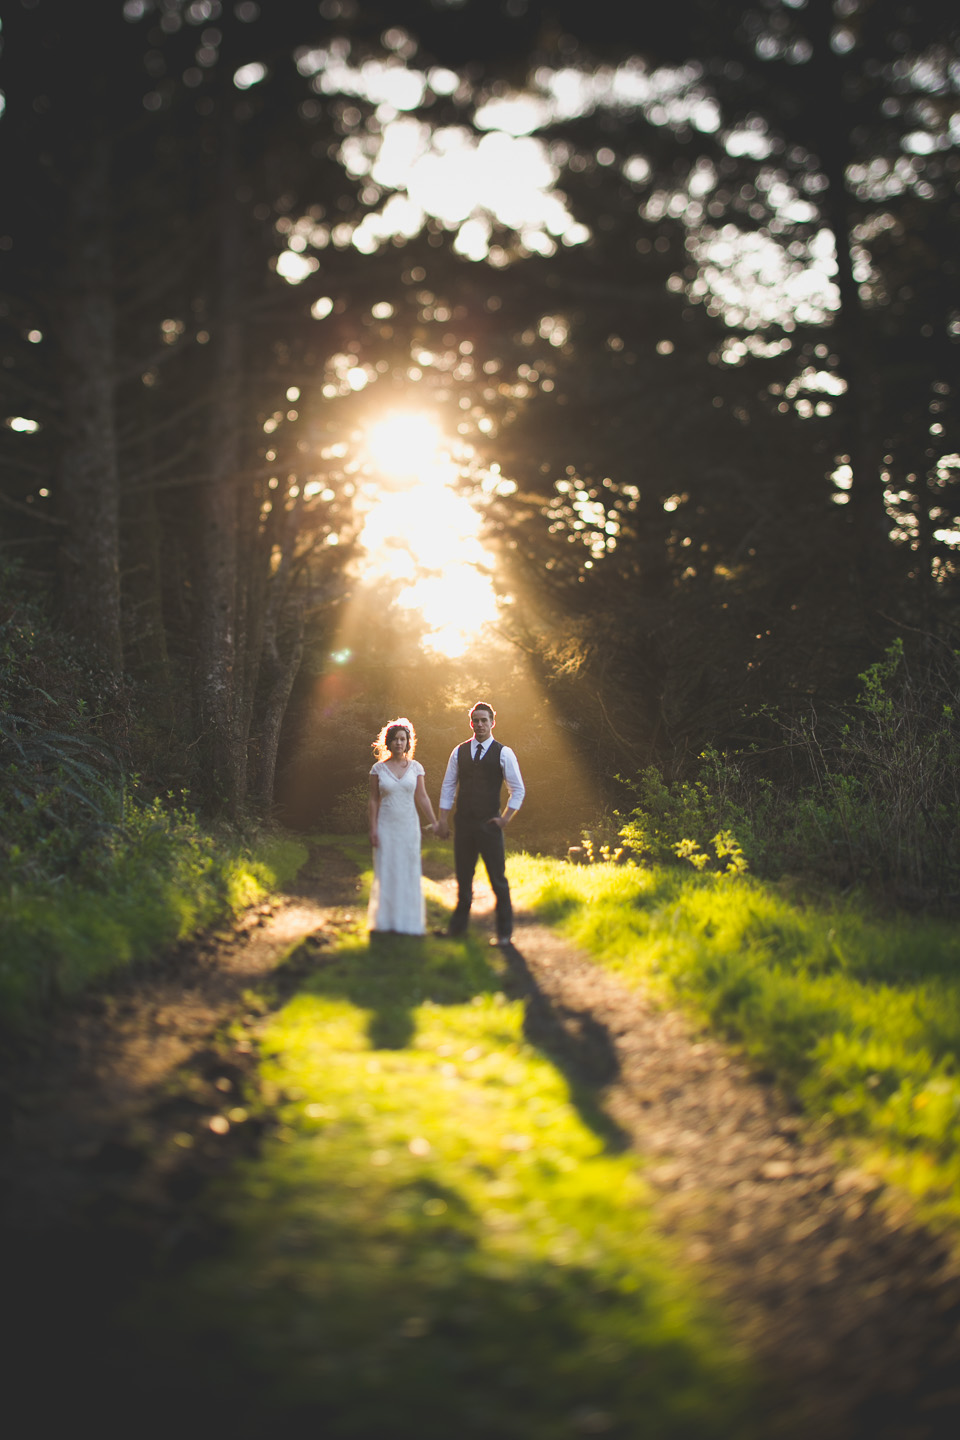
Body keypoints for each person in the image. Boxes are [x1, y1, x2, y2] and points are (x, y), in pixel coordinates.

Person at [436, 700, 525, 947]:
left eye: (484, 720)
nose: (480, 724)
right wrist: (442, 820)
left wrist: (505, 818)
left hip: (489, 826)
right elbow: (448, 786)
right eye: (476, 720)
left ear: (492, 722)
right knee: (463, 878)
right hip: (463, 824)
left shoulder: (503, 752)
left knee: (498, 879)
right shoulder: (459, 751)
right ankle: (457, 929)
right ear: (471, 723)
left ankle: (505, 934)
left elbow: (517, 789)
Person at [368, 717, 439, 936]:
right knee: (387, 870)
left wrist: (435, 822)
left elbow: (423, 797)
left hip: (409, 826)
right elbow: (372, 800)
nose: (399, 743)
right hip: (386, 826)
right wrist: (372, 828)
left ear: (408, 742)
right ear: (387, 742)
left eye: (403, 739)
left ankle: (408, 922)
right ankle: (386, 921)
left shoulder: (416, 768)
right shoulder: (377, 769)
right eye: (395, 739)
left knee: (408, 871)